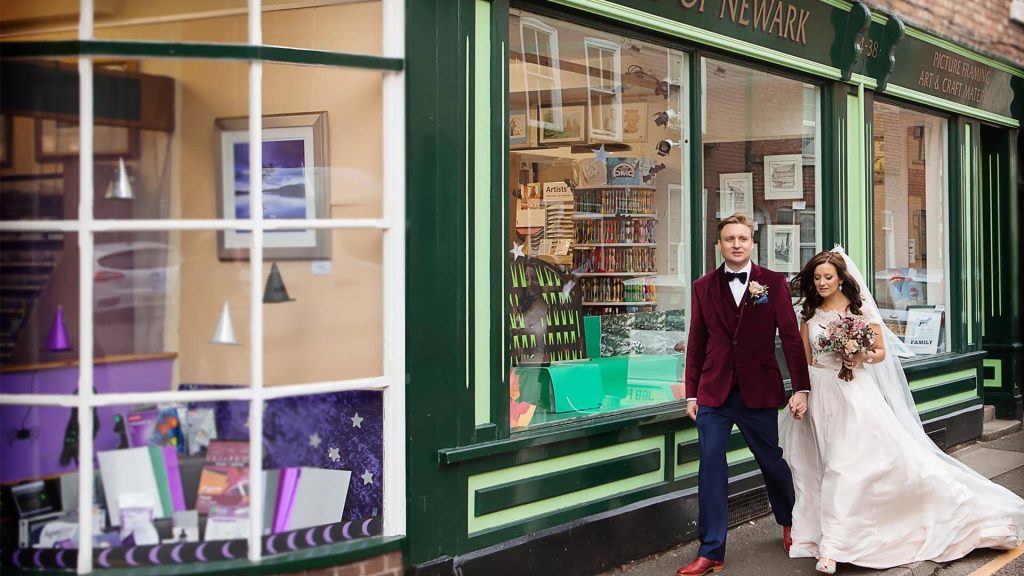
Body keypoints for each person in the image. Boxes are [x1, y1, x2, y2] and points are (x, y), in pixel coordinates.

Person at [781, 247, 1024, 574]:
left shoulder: (859, 309)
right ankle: (837, 533)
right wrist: (801, 393)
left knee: (844, 465)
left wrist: (859, 356)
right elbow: (805, 361)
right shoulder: (809, 315)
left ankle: (833, 549)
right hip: (820, 396)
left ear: (841, 280)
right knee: (820, 466)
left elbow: (880, 351)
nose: (822, 282)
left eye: (828, 277)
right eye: (817, 277)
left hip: (853, 395)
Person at [677, 213, 811, 576]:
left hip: (759, 391)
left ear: (753, 243)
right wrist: (692, 392)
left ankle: (789, 521)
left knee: (771, 462)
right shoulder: (703, 286)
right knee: (711, 467)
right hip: (714, 392)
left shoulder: (772, 282)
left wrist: (801, 387)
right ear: (718, 245)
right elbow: (697, 342)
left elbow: (791, 337)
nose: (736, 244)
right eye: (729, 238)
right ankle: (712, 551)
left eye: (743, 238)